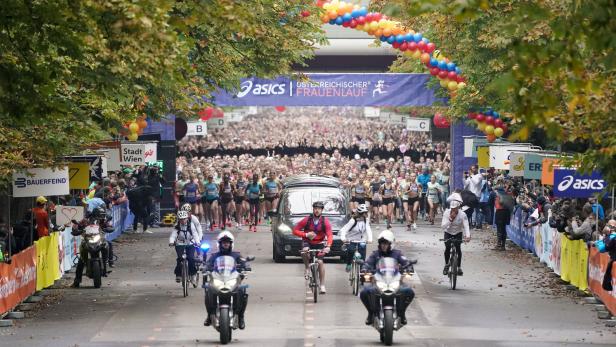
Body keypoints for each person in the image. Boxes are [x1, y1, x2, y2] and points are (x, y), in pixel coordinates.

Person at [359, 230, 415, 326]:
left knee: (409, 292)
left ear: (390, 244)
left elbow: (405, 262)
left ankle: (402, 313)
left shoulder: (397, 253)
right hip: (379, 282)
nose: (383, 245)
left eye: (386, 243)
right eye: (382, 243)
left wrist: (409, 267)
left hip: (395, 282)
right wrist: (365, 268)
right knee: (364, 292)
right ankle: (371, 313)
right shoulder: (375, 254)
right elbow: (368, 263)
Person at [204, 231, 250, 329]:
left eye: (228, 242)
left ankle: (240, 316)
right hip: (218, 280)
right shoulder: (214, 256)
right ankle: (209, 315)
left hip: (232, 280)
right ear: (219, 244)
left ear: (231, 244)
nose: (226, 244)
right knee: (208, 289)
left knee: (242, 290)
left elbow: (244, 262)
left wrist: (246, 265)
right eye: (223, 242)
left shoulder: (236, 255)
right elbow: (208, 264)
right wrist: (205, 267)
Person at [292, 201, 333, 294]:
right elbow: (294, 231)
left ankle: (322, 285)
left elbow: (330, 235)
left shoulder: (325, 221)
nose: (317, 210)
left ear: (322, 210)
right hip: (307, 242)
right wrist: (306, 234)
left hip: (320, 243)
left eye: (319, 209)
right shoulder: (307, 219)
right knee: (305, 251)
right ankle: (307, 267)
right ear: (313, 209)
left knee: (320, 262)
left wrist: (328, 246)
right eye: (315, 208)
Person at [71, 207, 114, 288]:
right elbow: (77, 226)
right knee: (81, 261)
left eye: (102, 215)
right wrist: (76, 229)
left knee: (108, 244)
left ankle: (108, 261)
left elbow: (109, 225)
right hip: (87, 239)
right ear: (95, 214)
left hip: (99, 238)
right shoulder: (86, 220)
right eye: (100, 215)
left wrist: (109, 228)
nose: (101, 217)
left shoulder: (103, 220)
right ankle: (77, 281)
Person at [441, 194, 471, 276]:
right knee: (447, 247)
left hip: (458, 232)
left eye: (455, 208)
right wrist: (450, 220)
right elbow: (443, 226)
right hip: (448, 232)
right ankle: (446, 264)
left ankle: (459, 267)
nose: (453, 210)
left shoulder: (462, 215)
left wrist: (468, 235)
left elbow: (466, 225)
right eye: (452, 208)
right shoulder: (447, 213)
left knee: (458, 248)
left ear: (458, 208)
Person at [168, 211, 200, 285]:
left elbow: (195, 234)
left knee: (191, 258)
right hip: (180, 244)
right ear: (179, 219)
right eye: (181, 219)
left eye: (184, 219)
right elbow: (173, 235)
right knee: (180, 258)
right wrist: (171, 242)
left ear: (187, 218)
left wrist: (198, 242)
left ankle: (193, 275)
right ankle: (178, 275)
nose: (183, 220)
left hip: (190, 243)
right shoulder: (177, 226)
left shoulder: (191, 225)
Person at [339, 204, 373, 272]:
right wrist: (343, 238)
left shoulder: (366, 220)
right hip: (351, 240)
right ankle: (349, 264)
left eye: (366, 213)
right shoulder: (353, 221)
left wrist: (370, 239)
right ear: (360, 213)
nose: (366, 214)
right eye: (365, 213)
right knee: (351, 251)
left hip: (361, 240)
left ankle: (361, 271)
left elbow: (368, 229)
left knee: (362, 252)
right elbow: (344, 230)